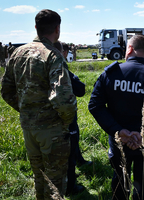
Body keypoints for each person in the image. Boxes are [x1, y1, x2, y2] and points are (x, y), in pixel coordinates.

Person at [88, 34, 144, 200]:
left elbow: (95, 106)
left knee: (119, 185)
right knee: (143, 188)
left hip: (119, 144)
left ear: (129, 49)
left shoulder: (111, 74)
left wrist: (118, 131)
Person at [1, 9, 77, 199]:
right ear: (57, 29)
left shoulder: (18, 53)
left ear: (36, 27)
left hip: (29, 128)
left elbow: (6, 91)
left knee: (39, 179)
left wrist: (26, 109)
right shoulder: (52, 55)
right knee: (55, 183)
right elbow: (63, 98)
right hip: (52, 130)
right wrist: (65, 121)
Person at [53, 41, 92, 196]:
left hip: (44, 120)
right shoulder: (60, 68)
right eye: (65, 51)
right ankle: (70, 187)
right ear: (61, 53)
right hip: (65, 117)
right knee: (69, 148)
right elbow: (80, 89)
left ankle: (77, 162)